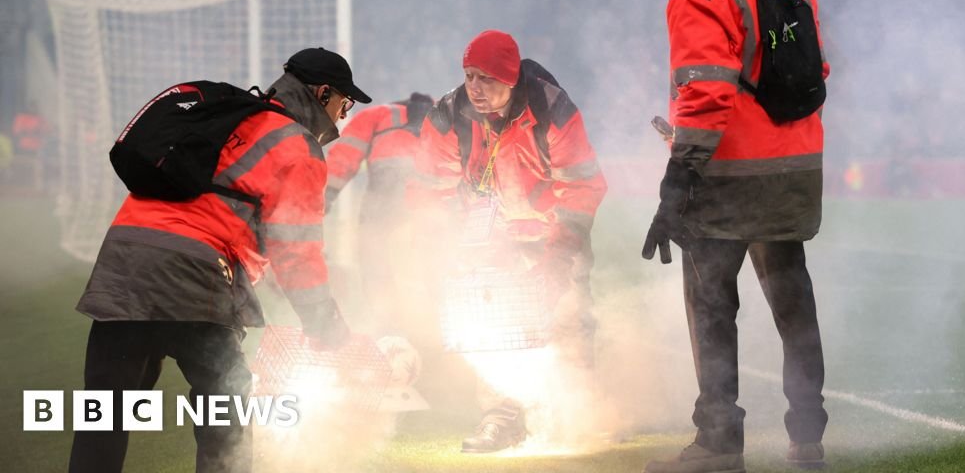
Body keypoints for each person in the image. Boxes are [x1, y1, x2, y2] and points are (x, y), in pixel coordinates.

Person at [69, 47, 372, 473]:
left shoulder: (228, 115)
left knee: (104, 414)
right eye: (345, 102)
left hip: (124, 263)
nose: (344, 116)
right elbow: (297, 253)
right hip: (194, 276)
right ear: (323, 94)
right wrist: (328, 329)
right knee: (224, 412)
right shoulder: (298, 147)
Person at [639, 0, 830, 472]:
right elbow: (816, 71)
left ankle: (719, 443)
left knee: (711, 306)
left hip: (727, 177)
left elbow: (706, 92)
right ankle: (808, 439)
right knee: (793, 303)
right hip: (796, 170)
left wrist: (677, 180)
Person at [413, 30, 607, 453]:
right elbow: (430, 193)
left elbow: (582, 187)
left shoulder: (552, 108)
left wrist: (557, 259)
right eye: (468, 76)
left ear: (511, 77)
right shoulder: (447, 115)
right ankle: (501, 417)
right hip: (487, 236)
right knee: (491, 325)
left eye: (486, 78)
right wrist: (446, 251)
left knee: (568, 315)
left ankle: (576, 410)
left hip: (551, 229)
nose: (475, 89)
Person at [324, 91, 434, 331]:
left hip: (381, 217)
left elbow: (338, 165)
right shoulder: (452, 117)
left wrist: (313, 208)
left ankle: (391, 336)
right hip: (432, 219)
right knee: (432, 284)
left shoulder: (377, 117)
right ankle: (429, 340)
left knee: (379, 284)